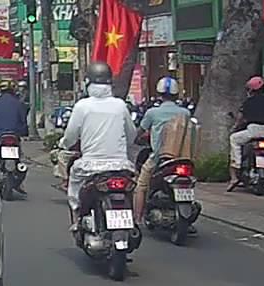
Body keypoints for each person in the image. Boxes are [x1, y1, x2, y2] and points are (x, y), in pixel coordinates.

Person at [58, 61, 137, 228]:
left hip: (90, 166)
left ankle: (77, 219)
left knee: (74, 184)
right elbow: (132, 134)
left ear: (88, 83)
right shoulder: (120, 105)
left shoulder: (82, 106)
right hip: (121, 166)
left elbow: (71, 136)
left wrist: (64, 144)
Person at [134, 76, 193, 223]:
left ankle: (137, 219)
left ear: (159, 94)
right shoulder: (185, 113)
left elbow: (139, 131)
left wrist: (135, 138)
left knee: (141, 185)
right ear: (176, 94)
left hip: (158, 158)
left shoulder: (152, 113)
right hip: (182, 159)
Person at [228, 76, 264, 190]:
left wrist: (234, 127)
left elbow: (240, 119)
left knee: (233, 139)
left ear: (251, 90)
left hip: (252, 131)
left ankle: (237, 165)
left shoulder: (248, 102)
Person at [0, 81, 30, 196]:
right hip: (14, 136)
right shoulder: (19, 104)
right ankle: (18, 181)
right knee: (21, 159)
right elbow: (23, 121)